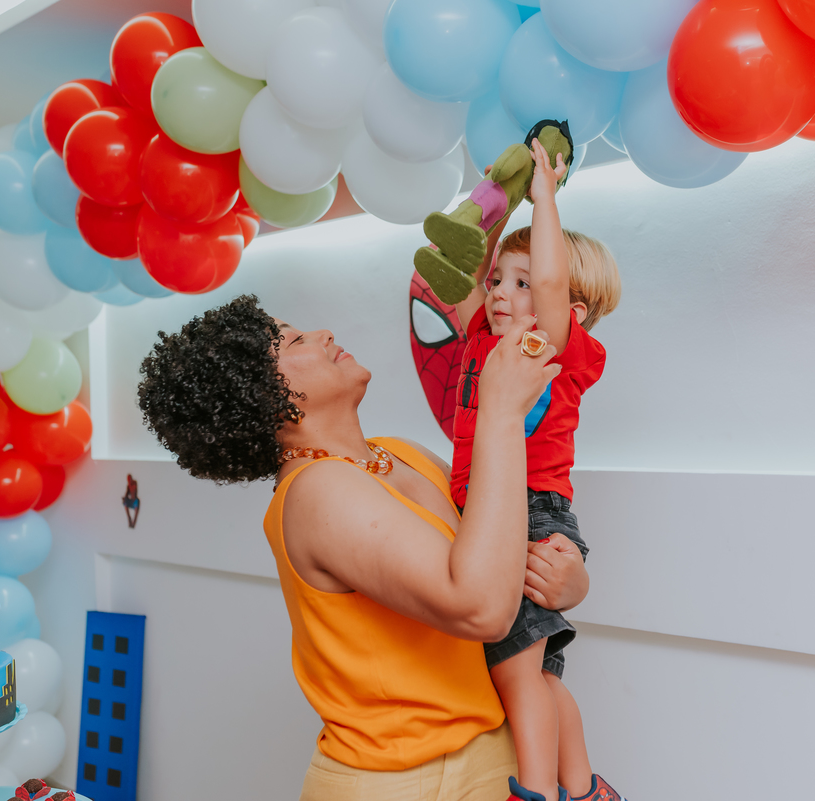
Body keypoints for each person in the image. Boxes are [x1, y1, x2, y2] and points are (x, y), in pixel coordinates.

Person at [137, 293, 591, 800]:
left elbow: (499, 560)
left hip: (494, 750)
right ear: (264, 396)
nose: (324, 333)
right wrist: (501, 413)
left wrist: (566, 580)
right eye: (295, 340)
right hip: (404, 780)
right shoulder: (316, 490)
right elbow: (482, 608)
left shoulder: (402, 454)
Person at [446, 138, 623, 801]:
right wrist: (501, 194)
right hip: (495, 512)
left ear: (569, 313)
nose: (500, 292)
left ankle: (537, 792)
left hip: (530, 512)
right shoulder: (482, 343)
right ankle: (585, 789)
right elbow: (467, 263)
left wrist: (544, 196)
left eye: (522, 284)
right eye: (499, 280)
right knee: (542, 678)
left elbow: (550, 284)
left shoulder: (550, 348)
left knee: (516, 677)